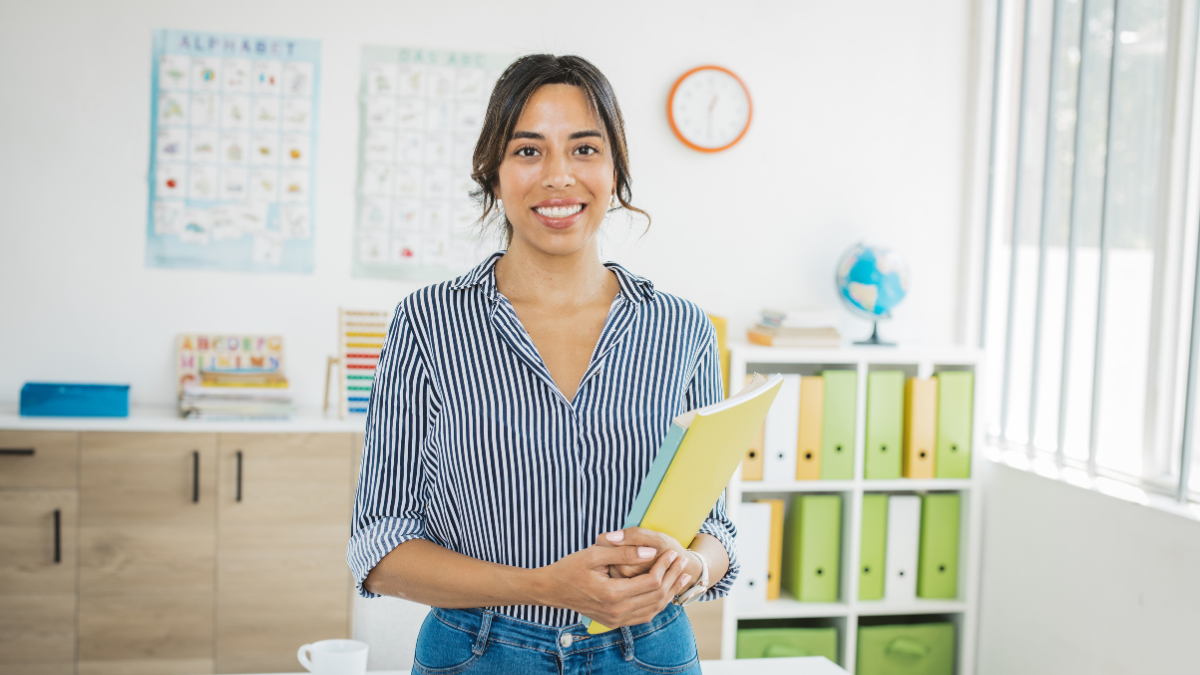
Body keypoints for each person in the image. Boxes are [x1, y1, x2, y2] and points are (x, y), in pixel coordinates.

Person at [348, 53, 738, 675]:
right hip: (480, 653)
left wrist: (690, 566)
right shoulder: (426, 323)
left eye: (584, 149)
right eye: (528, 151)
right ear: (493, 172)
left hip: (648, 652)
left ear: (615, 170)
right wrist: (544, 586)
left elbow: (715, 530)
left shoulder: (682, 329)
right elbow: (378, 547)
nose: (559, 176)